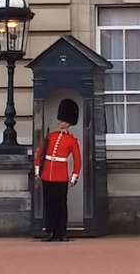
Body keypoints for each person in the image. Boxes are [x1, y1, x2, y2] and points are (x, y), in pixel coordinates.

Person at [34, 99, 82, 242]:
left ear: (69, 122)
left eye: (63, 120)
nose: (61, 122)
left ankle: (61, 232)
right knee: (49, 204)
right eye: (60, 120)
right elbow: (41, 153)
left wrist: (74, 176)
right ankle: (50, 231)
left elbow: (78, 160)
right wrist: (37, 169)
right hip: (47, 174)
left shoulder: (72, 141)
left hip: (61, 176)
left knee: (61, 205)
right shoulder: (51, 136)